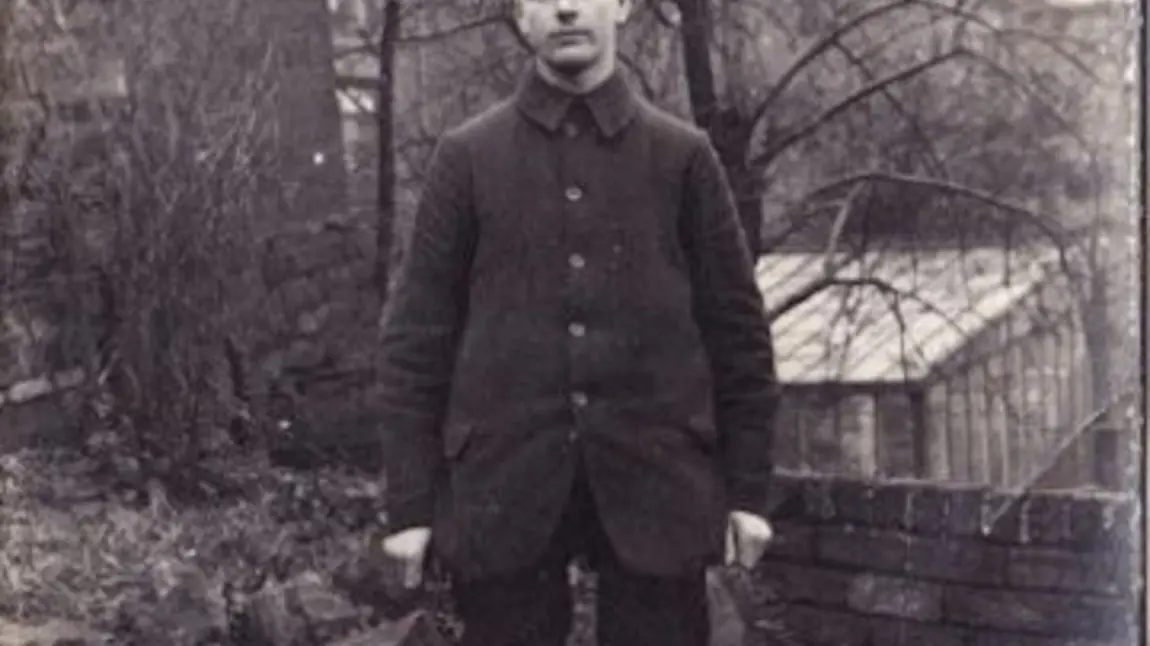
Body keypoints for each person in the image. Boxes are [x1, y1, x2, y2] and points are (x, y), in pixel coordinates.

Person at [375, 0, 779, 643]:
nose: (567, 8)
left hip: (658, 488)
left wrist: (748, 492)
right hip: (504, 493)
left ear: (621, 7)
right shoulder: (467, 159)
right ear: (518, 13)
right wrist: (410, 507)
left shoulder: (683, 158)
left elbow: (739, 337)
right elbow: (415, 344)